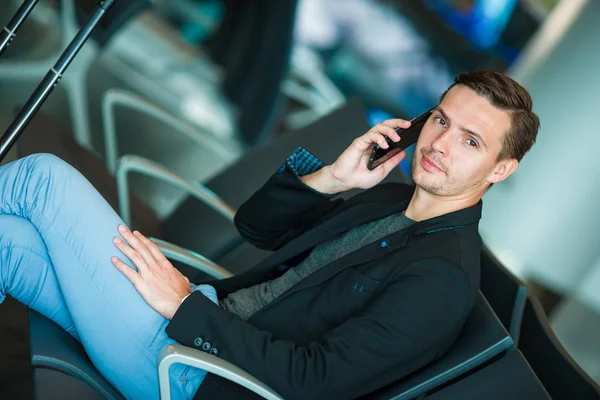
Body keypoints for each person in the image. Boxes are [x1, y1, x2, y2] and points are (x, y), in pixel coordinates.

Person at [0, 70, 539, 400]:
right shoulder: (391, 201)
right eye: (441, 120)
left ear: (501, 170)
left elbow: (313, 383)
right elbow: (254, 228)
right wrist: (333, 178)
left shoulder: (441, 277)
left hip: (194, 371)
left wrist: (186, 307)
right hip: (197, 317)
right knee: (7, 242)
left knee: (42, 178)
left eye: (470, 141)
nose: (440, 143)